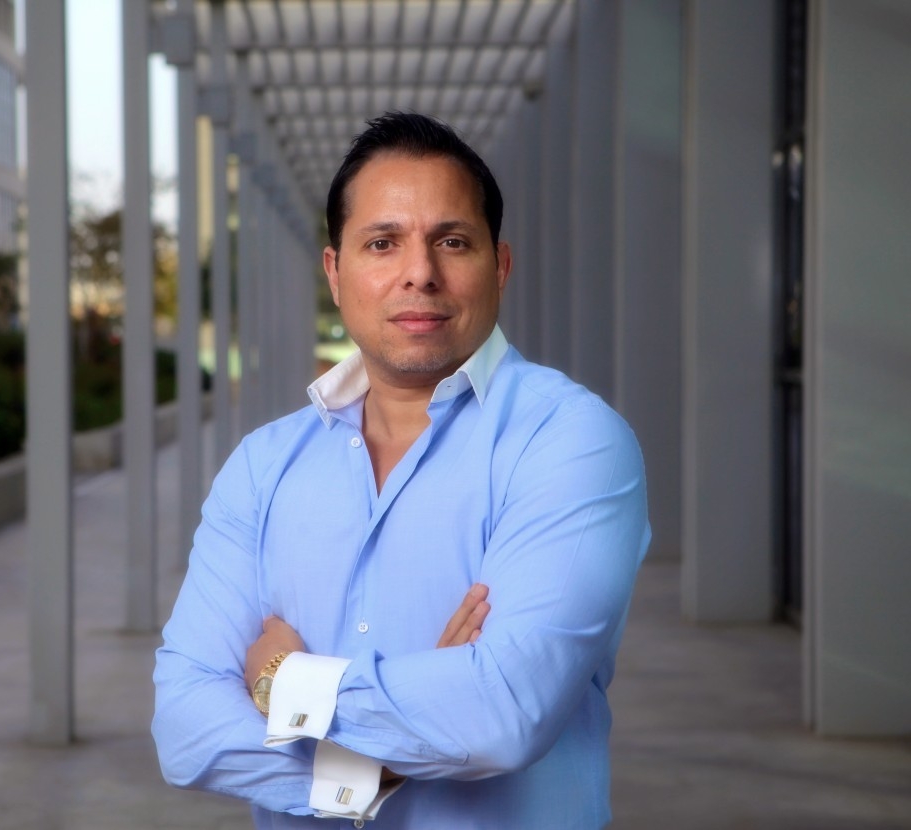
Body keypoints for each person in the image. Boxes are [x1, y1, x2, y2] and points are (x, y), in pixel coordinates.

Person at [153, 111, 650, 829]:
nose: (420, 272)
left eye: (452, 241)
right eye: (382, 243)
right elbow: (184, 727)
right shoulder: (263, 466)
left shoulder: (571, 442)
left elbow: (503, 713)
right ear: (335, 272)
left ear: (500, 266)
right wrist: (382, 755)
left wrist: (281, 681)